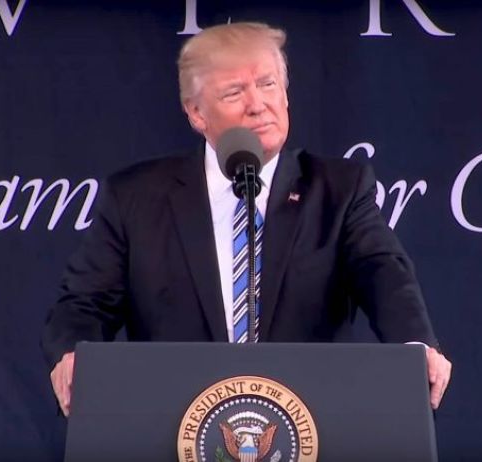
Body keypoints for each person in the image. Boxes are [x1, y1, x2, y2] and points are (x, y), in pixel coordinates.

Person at [43, 22, 451, 417]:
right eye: (235, 92)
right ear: (196, 113)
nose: (258, 104)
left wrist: (414, 344)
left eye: (269, 84)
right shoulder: (136, 197)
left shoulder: (339, 189)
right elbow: (84, 301)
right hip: (172, 425)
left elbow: (382, 272)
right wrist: (74, 354)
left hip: (309, 425)